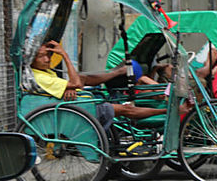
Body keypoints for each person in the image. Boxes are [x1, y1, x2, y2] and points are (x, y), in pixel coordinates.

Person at [30, 40, 182, 123]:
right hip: (79, 109)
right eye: (41, 57)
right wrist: (65, 56)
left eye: (48, 55)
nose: (47, 59)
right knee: (126, 109)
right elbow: (76, 83)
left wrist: (70, 87)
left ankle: (167, 108)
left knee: (85, 81)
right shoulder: (40, 76)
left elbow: (75, 83)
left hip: (80, 103)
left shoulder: (47, 72)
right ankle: (168, 112)